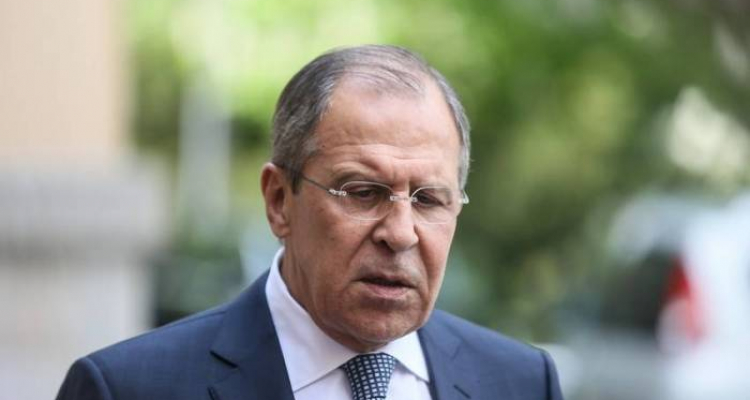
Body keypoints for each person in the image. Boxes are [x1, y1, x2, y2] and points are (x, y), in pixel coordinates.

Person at [57, 45, 563, 400]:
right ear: (280, 201)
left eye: (429, 199)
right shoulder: (128, 389)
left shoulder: (521, 383)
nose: (400, 233)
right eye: (363, 192)